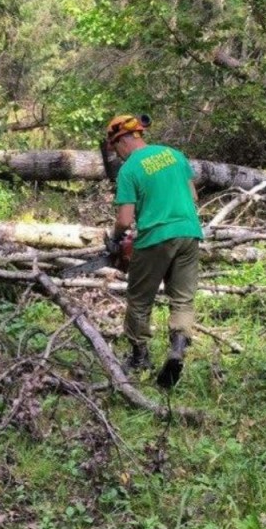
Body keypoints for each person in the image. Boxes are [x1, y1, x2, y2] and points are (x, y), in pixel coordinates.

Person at [106, 114, 203, 388]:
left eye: (116, 148)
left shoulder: (130, 170)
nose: (117, 154)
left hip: (156, 238)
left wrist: (116, 239)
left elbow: (124, 220)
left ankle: (139, 357)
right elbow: (193, 196)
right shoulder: (174, 155)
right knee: (183, 299)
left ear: (123, 139)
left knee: (139, 300)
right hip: (188, 232)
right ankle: (178, 347)